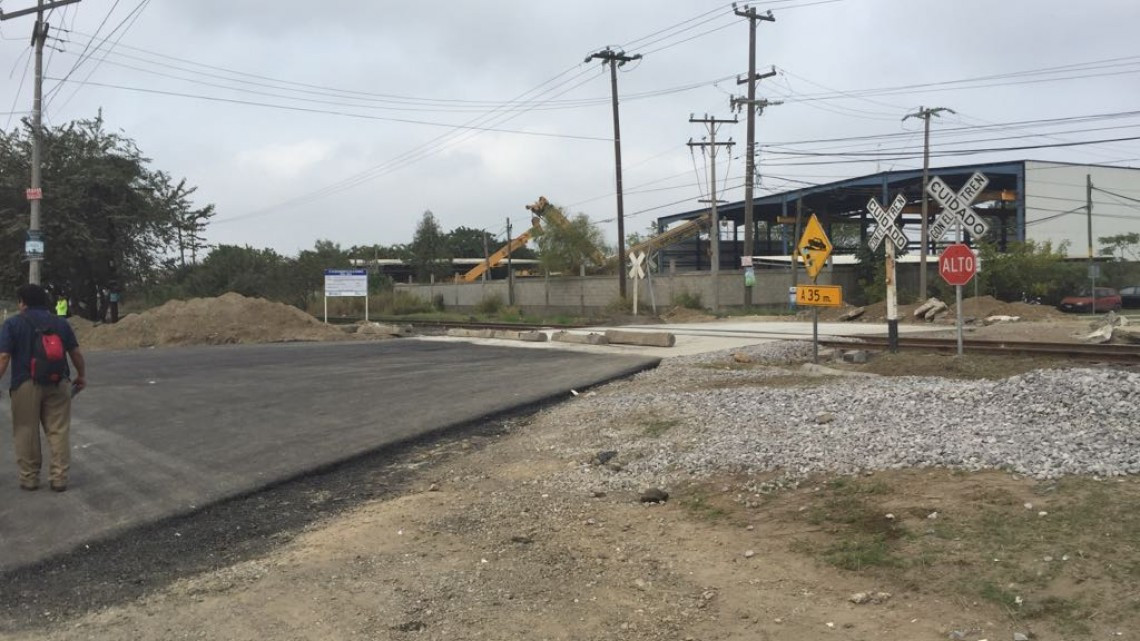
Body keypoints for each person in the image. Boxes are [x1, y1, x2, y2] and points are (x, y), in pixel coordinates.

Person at [0, 284, 86, 492]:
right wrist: (81, 375)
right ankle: (59, 479)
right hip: (59, 382)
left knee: (25, 430)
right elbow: (75, 353)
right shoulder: (60, 323)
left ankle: (29, 479)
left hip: (25, 383)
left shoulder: (12, 324)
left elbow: (3, 357)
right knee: (58, 430)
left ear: (22, 302)